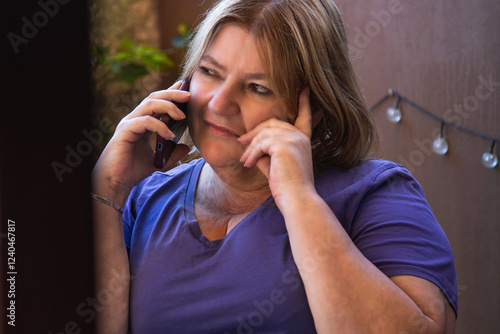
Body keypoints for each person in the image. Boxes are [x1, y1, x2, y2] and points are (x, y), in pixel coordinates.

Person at [91, 0, 458, 332]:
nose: (219, 104)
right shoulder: (143, 200)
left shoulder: (375, 193)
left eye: (257, 87)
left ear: (313, 106)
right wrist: (106, 189)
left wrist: (299, 198)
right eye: (210, 71)